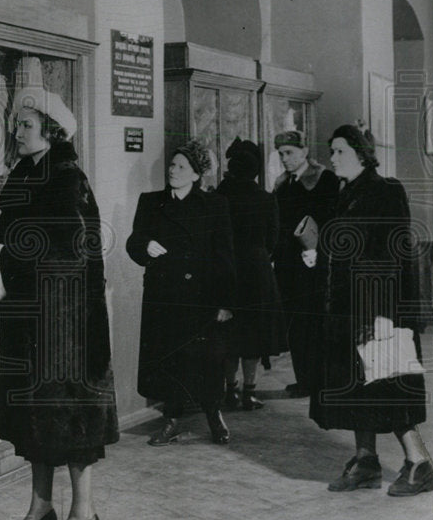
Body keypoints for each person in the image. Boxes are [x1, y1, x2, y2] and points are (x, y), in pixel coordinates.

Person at [0, 86, 119, 520]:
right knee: (32, 419)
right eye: (16, 123)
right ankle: (41, 511)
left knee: (72, 419)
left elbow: (66, 252)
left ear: (51, 129)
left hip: (67, 323)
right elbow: (19, 236)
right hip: (31, 317)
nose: (15, 131)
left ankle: (84, 515)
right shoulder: (27, 172)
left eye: (25, 124)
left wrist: (4, 252)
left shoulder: (66, 178)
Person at [310, 124, 433, 496]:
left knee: (387, 385)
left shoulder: (385, 191)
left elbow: (394, 255)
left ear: (362, 154)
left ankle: (420, 462)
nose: (332, 159)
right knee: (355, 387)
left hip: (377, 309)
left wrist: (383, 315)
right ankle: (366, 461)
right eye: (331, 152)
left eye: (340, 152)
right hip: (346, 310)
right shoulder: (343, 193)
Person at [126, 139, 236, 446]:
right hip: (163, 295)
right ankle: (171, 421)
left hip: (201, 296)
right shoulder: (151, 202)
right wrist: (145, 245)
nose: (173, 171)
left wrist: (225, 302)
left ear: (197, 174)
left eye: (181, 167)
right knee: (167, 359)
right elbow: (134, 240)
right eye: (172, 165)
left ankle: (214, 417)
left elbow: (225, 256)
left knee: (208, 360)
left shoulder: (214, 205)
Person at [216, 138, 287, 411]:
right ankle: (249, 392)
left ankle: (229, 390)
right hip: (257, 272)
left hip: (227, 269)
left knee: (229, 333)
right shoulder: (266, 199)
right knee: (253, 337)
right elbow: (273, 239)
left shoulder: (220, 197)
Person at [271, 130, 339, 398]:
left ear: (304, 151)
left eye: (289, 153)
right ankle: (304, 380)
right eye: (281, 154)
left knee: (315, 322)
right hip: (288, 265)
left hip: (314, 262)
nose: (284, 158)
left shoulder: (325, 179)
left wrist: (320, 252)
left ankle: (321, 380)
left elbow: (333, 221)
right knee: (296, 324)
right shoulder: (282, 183)